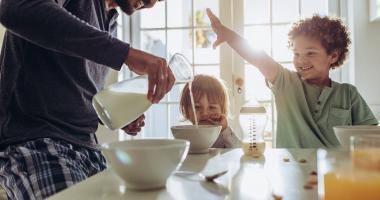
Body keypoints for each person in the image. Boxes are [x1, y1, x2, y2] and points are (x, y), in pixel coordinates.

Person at [0, 0, 174, 199]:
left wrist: (117, 113)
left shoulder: (110, 22)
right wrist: (125, 54)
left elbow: (77, 90)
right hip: (37, 143)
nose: (151, 3)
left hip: (89, 150)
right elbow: (16, 8)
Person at [206, 9, 378, 148]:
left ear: (333, 56)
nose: (301, 60)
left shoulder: (348, 93)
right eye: (296, 53)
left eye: (310, 53)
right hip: (290, 170)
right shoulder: (285, 83)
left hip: (335, 173)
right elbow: (257, 57)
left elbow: (371, 136)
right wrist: (227, 35)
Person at [180, 75, 240, 148]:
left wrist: (225, 130)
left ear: (222, 110)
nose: (204, 113)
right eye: (197, 107)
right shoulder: (184, 136)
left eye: (212, 107)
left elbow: (238, 151)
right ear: (186, 111)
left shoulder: (224, 137)